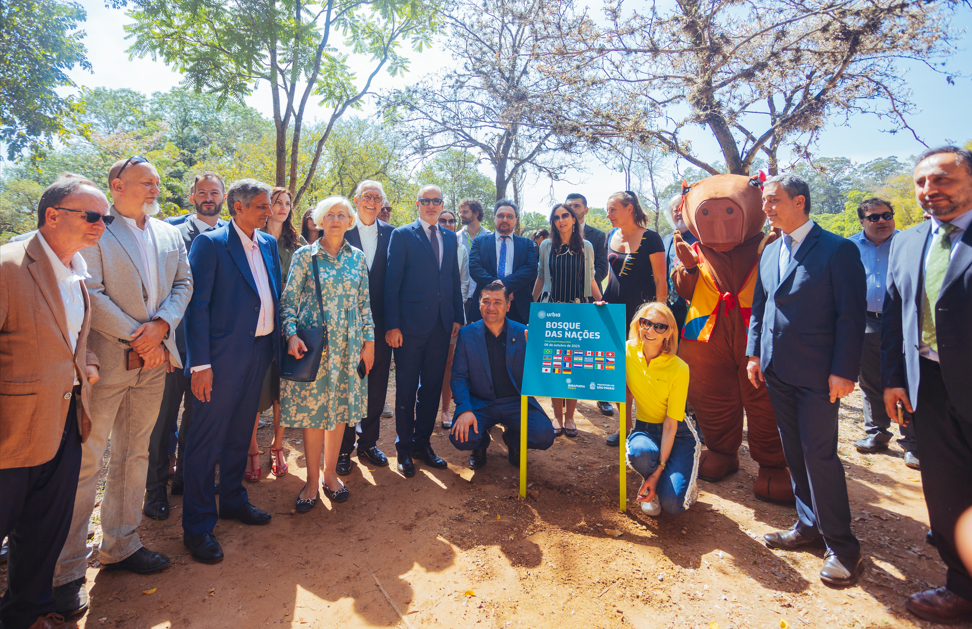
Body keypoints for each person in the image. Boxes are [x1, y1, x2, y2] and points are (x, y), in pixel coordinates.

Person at [52, 157, 192, 614]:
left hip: (155, 361)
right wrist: (141, 336)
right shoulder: (96, 228)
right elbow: (89, 291)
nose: (154, 188)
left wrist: (162, 327)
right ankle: (66, 570)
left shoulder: (170, 233)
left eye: (156, 182)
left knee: (135, 454)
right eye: (145, 182)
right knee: (86, 462)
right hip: (107, 364)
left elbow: (184, 284)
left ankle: (121, 544)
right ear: (117, 185)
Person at [747, 173, 867, 588]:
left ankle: (843, 548)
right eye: (764, 201)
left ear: (799, 201)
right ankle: (808, 526)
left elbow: (851, 315)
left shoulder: (838, 249)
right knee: (794, 452)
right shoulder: (770, 250)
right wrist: (754, 353)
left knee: (820, 456)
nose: (766, 207)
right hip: (776, 369)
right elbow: (761, 307)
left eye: (774, 200)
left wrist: (844, 370)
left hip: (818, 374)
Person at [0, 175, 105, 629]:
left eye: (106, 218)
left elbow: (73, 337)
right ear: (53, 216)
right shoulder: (7, 266)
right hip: (10, 432)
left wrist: (88, 364)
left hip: (65, 423)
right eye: (93, 215)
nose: (101, 225)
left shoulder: (76, 273)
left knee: (43, 530)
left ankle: (25, 615)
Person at [882, 146, 972, 624]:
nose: (929, 190)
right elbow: (895, 316)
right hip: (928, 384)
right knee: (945, 488)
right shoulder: (909, 241)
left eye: (942, 179)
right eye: (921, 182)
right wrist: (894, 379)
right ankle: (961, 587)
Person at [182, 179, 281, 564]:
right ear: (237, 207)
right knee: (206, 440)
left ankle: (234, 500)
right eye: (261, 206)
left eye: (268, 205)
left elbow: (272, 295)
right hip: (220, 360)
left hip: (260, 352)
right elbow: (197, 306)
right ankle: (198, 526)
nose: (268, 212)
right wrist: (201, 365)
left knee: (241, 432)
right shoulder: (210, 244)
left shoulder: (268, 243)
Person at [282, 196, 375, 510]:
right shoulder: (304, 256)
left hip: (349, 347)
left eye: (342, 215)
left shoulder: (357, 258)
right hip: (315, 347)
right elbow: (288, 302)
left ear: (350, 221)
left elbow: (365, 304)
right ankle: (311, 481)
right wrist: (291, 334)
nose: (336, 220)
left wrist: (369, 343)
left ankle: (330, 475)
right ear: (320, 220)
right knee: (314, 416)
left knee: (339, 413)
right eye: (330, 215)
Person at [144, 172, 226, 520]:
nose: (208, 197)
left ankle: (186, 480)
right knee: (162, 421)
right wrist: (161, 339)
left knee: (198, 416)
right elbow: (159, 287)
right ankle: (154, 490)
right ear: (192, 196)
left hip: (210, 346)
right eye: (202, 192)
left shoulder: (230, 234)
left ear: (223, 197)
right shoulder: (170, 232)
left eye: (214, 192)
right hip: (173, 343)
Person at [384, 184, 464, 477]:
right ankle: (404, 449)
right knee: (406, 389)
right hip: (409, 327)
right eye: (426, 201)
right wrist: (392, 325)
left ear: (442, 204)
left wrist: (457, 316)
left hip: (442, 325)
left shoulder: (450, 237)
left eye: (436, 201)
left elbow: (453, 279)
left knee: (431, 388)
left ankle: (422, 444)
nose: (431, 205)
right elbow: (392, 282)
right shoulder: (402, 235)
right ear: (417, 204)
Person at [449, 281, 555, 469]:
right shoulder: (466, 335)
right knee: (462, 437)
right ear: (479, 304)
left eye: (497, 302)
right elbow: (458, 377)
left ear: (508, 306)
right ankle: (480, 445)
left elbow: (542, 373)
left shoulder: (524, 333)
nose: (491, 307)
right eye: (486, 301)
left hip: (515, 402)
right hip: (480, 402)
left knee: (544, 435)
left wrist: (535, 352)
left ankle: (513, 440)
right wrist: (464, 410)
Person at [848, 198, 917, 467]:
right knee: (870, 380)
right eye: (874, 217)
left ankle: (912, 442)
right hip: (865, 320)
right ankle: (877, 433)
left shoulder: (908, 243)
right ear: (862, 221)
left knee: (907, 380)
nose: (882, 221)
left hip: (903, 321)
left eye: (887, 215)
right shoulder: (849, 247)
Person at [244, 187, 306, 482]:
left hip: (290, 324)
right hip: (259, 323)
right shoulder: (253, 236)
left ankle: (277, 446)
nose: (282, 207)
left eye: (287, 203)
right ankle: (251, 449)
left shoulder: (298, 242)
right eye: (276, 202)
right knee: (256, 389)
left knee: (284, 390)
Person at [338, 180, 394, 474]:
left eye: (377, 197)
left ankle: (368, 443)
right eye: (367, 196)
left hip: (382, 324)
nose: (372, 202)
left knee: (376, 384)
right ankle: (342, 448)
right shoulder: (340, 230)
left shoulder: (393, 234)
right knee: (349, 385)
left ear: (382, 203)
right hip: (346, 324)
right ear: (357, 200)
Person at [603, 191, 667, 446]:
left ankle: (649, 428)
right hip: (613, 312)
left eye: (612, 209)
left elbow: (661, 279)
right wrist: (602, 300)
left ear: (629, 209)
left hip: (643, 316)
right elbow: (611, 276)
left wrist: (661, 316)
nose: (608, 214)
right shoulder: (611, 235)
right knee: (619, 372)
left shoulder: (651, 238)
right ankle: (625, 427)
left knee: (644, 371)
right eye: (607, 210)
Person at [624, 302, 701, 516]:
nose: (650, 330)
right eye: (646, 323)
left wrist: (657, 473)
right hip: (645, 430)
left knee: (673, 505)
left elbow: (670, 425)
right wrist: (599, 310)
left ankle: (676, 481)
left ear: (669, 332)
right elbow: (598, 340)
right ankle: (652, 486)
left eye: (660, 327)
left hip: (677, 433)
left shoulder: (679, 368)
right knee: (640, 452)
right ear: (638, 324)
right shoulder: (627, 351)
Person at [533, 203, 601, 438]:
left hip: (578, 312)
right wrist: (533, 305)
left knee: (574, 365)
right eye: (556, 217)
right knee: (555, 366)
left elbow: (591, 279)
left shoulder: (586, 246)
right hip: (552, 313)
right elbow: (541, 277)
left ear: (573, 219)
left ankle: (570, 416)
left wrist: (601, 302)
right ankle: (557, 416)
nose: (560, 220)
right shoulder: (546, 245)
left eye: (565, 216)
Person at [565, 193, 613, 418]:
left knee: (595, 348)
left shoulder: (598, 235)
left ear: (585, 209)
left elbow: (602, 267)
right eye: (569, 206)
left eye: (576, 206)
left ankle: (602, 397)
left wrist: (583, 284)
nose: (572, 209)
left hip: (590, 297)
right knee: (568, 348)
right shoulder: (559, 232)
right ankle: (564, 392)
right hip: (564, 300)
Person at [468, 199, 538, 325]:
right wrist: (499, 289)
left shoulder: (526, 243)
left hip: (518, 306)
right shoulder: (479, 242)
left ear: (515, 219)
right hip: (486, 305)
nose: (505, 219)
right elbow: (474, 268)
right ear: (494, 218)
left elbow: (531, 269)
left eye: (509, 216)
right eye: (500, 216)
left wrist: (506, 284)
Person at [437, 208, 472, 430]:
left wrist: (454, 311)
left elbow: (464, 283)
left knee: (449, 362)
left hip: (452, 315)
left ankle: (445, 409)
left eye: (451, 221)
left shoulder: (461, 249)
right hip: (425, 316)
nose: (448, 224)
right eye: (443, 220)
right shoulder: (423, 243)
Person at [662, 195, 697, 333]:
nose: (679, 213)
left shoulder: (701, 239)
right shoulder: (666, 240)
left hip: (695, 307)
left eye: (683, 209)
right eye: (675, 210)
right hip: (670, 308)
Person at [457, 198, 492, 321]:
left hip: (484, 294)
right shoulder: (455, 238)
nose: (461, 215)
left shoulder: (489, 237)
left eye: (465, 212)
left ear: (476, 213)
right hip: (462, 296)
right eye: (460, 212)